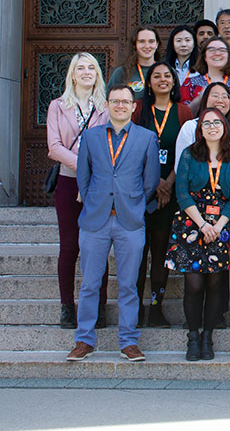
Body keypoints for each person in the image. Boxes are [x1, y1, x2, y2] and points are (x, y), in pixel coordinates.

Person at [66, 85, 159, 363]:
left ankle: (128, 341)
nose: (120, 106)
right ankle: (84, 340)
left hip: (130, 220)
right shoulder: (92, 137)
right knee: (90, 283)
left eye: (125, 102)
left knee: (129, 284)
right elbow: (83, 176)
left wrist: (134, 204)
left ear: (134, 107)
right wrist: (95, 201)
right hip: (96, 219)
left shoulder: (147, 138)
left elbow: (151, 180)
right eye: (115, 101)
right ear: (107, 105)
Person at [166, 107, 230, 361]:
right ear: (200, 129)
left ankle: (208, 335)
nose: (212, 126)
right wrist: (202, 225)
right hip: (192, 224)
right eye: (206, 123)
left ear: (225, 127)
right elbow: (181, 193)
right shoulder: (190, 155)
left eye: (217, 122)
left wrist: (219, 226)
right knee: (194, 283)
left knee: (215, 284)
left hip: (221, 227)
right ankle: (192, 336)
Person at [47, 53, 111, 329]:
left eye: (91, 68)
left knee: (97, 245)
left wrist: (92, 172)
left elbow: (111, 144)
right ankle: (66, 306)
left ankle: (99, 306)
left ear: (97, 74)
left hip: (98, 184)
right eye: (80, 68)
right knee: (70, 245)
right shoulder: (58, 106)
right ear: (72, 74)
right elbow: (54, 147)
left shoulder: (106, 107)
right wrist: (84, 166)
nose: (86, 72)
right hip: (68, 180)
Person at [132, 62, 194, 327]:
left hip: (171, 192)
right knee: (137, 253)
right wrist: (155, 182)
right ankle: (134, 307)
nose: (162, 80)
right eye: (156, 76)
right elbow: (130, 147)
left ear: (174, 81)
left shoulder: (183, 111)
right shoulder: (137, 110)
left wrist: (168, 183)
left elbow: (187, 152)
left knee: (160, 253)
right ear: (149, 82)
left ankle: (156, 306)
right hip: (140, 191)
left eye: (167, 75)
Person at [180, 37, 230, 125]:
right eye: (212, 50)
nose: (217, 53)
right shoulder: (190, 83)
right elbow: (182, 117)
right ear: (204, 56)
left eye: (222, 50)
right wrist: (200, 99)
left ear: (228, 56)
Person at [175, 82, 230, 168]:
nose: (220, 100)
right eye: (215, 96)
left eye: (225, 96)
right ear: (205, 100)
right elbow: (180, 167)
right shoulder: (190, 127)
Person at [108, 25, 160, 93]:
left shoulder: (166, 72)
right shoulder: (122, 72)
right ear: (135, 45)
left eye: (151, 41)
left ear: (157, 44)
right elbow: (110, 98)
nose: (147, 46)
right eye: (142, 41)